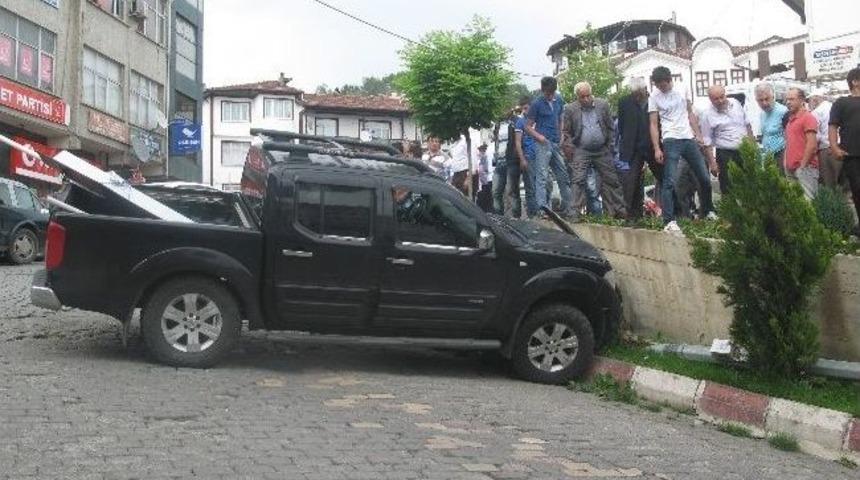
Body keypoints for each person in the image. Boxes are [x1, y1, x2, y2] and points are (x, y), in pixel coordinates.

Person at [648, 66, 717, 234]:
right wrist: (657, 148)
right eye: (658, 86)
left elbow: (690, 113)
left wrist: (698, 134)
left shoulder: (682, 88)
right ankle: (669, 220)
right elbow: (653, 124)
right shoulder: (654, 96)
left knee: (704, 177)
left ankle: (708, 210)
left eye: (664, 85)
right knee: (669, 181)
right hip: (670, 139)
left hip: (688, 138)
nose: (661, 88)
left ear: (670, 80)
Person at [562, 81, 626, 219]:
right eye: (582, 97)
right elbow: (566, 132)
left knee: (611, 180)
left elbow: (610, 127)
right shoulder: (570, 109)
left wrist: (610, 146)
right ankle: (575, 213)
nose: (586, 99)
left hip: (602, 149)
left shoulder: (602, 105)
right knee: (578, 180)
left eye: (588, 95)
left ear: (592, 94)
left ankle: (618, 212)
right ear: (577, 97)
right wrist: (570, 149)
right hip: (581, 149)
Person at [525, 76, 573, 217]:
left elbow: (560, 117)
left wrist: (561, 134)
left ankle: (569, 207)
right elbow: (528, 127)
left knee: (563, 175)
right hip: (542, 144)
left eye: (552, 92)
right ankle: (542, 209)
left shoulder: (559, 99)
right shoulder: (536, 104)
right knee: (542, 177)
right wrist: (539, 137)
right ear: (543, 90)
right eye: (548, 93)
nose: (550, 95)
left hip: (556, 143)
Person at [699, 85, 754, 194]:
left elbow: (747, 124)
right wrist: (712, 163)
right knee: (728, 187)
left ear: (725, 94)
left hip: (744, 150)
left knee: (749, 185)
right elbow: (707, 141)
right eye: (716, 99)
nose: (720, 101)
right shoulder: (707, 115)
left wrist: (753, 147)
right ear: (710, 99)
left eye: (722, 97)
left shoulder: (736, 103)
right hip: (725, 154)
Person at [617, 78, 659, 219]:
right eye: (634, 93)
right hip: (632, 148)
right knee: (630, 182)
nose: (637, 96)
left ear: (645, 89)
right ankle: (630, 215)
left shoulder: (654, 101)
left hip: (651, 145)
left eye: (639, 93)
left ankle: (673, 213)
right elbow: (621, 125)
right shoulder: (624, 102)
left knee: (663, 178)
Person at [829, 67, 860, 234]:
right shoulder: (841, 103)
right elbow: (833, 125)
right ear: (855, 82)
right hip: (852, 155)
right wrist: (834, 147)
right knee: (857, 191)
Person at [783, 88, 819, 199]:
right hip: (791, 169)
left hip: (805, 169)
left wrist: (802, 167)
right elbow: (788, 144)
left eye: (792, 99)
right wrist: (786, 164)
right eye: (787, 99)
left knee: (808, 205)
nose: (788, 102)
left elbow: (812, 145)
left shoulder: (808, 117)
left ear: (802, 100)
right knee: (796, 204)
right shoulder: (790, 121)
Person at [514, 95, 539, 217]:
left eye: (526, 108)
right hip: (529, 156)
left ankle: (543, 211)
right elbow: (518, 142)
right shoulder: (520, 122)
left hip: (541, 157)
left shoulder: (538, 120)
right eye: (523, 108)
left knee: (544, 185)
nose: (524, 111)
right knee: (530, 187)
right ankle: (533, 214)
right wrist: (522, 159)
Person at [756, 83, 789, 174]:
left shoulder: (783, 111)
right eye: (760, 100)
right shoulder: (762, 114)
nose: (764, 103)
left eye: (767, 99)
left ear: (773, 97)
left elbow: (790, 136)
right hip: (768, 155)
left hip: (781, 154)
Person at [809, 89, 838, 188]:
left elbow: (816, 136)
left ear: (815, 99)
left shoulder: (816, 112)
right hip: (840, 147)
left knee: (828, 183)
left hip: (826, 149)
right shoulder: (834, 106)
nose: (810, 103)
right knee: (843, 184)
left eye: (810, 100)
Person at [476, 143, 493, 211]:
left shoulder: (484, 157)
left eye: (481, 150)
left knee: (486, 200)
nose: (479, 152)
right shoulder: (482, 158)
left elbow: (483, 170)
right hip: (484, 183)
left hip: (485, 182)